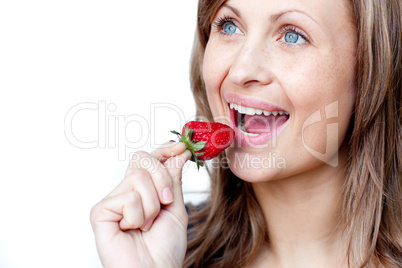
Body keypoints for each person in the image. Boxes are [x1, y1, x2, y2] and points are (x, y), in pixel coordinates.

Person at [90, 0, 402, 267]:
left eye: (292, 35)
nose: (240, 71)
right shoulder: (166, 245)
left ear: (372, 68)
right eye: (228, 26)